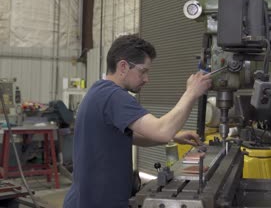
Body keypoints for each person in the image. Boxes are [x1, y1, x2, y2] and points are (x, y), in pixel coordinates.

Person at [63, 35, 212, 208]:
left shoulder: (99, 91)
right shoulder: (114, 96)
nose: (147, 79)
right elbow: (161, 131)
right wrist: (191, 93)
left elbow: (129, 136)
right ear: (123, 67)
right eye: (143, 71)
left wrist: (174, 136)